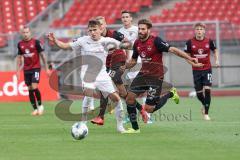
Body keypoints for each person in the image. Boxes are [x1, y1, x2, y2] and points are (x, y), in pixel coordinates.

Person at [47, 20, 131, 133]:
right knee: (89, 92)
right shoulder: (82, 41)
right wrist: (55, 40)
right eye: (90, 30)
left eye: (95, 30)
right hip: (87, 74)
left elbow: (126, 44)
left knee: (116, 99)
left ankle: (120, 127)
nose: (92, 32)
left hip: (102, 74)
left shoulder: (107, 41)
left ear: (100, 30)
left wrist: (126, 44)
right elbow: (66, 46)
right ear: (88, 31)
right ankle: (83, 123)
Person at [123, 19, 201, 133]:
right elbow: (133, 60)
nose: (140, 31)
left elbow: (173, 49)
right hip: (143, 75)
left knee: (149, 109)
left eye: (143, 29)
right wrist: (123, 66)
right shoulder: (137, 43)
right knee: (129, 99)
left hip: (156, 77)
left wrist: (189, 58)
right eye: (139, 28)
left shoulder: (156, 41)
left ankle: (170, 93)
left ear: (148, 30)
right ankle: (135, 129)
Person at [90, 16, 148, 126]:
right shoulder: (95, 38)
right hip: (107, 66)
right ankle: (141, 109)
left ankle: (100, 116)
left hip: (118, 62)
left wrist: (127, 57)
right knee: (123, 94)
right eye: (98, 25)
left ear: (105, 24)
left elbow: (128, 43)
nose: (100, 27)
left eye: (102, 24)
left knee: (110, 82)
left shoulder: (114, 34)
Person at [118, 10, 152, 123]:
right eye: (123, 17)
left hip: (138, 62)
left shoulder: (137, 30)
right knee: (126, 91)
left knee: (142, 90)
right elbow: (119, 47)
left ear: (131, 18)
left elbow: (144, 42)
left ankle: (146, 114)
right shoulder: (119, 32)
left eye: (127, 17)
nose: (125, 19)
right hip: (126, 64)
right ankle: (130, 114)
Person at [184, 22, 219, 121]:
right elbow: (186, 56)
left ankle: (206, 114)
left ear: (204, 31)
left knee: (207, 90)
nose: (199, 31)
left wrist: (216, 60)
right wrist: (193, 64)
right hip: (196, 70)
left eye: (201, 29)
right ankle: (204, 105)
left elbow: (215, 50)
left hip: (207, 69)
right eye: (197, 29)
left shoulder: (209, 41)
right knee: (199, 93)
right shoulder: (189, 42)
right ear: (195, 31)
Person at [16, 26, 50, 116]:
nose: (25, 34)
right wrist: (17, 71)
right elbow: (19, 58)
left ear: (30, 32)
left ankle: (40, 105)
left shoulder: (36, 42)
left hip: (35, 67)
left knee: (34, 87)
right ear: (21, 33)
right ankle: (35, 109)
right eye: (24, 32)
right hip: (26, 69)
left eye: (27, 32)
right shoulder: (20, 44)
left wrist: (46, 68)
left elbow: (43, 55)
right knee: (29, 89)